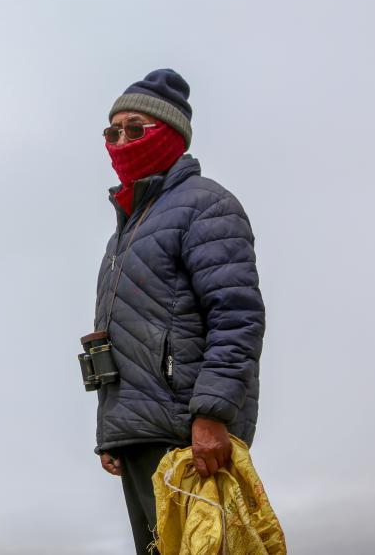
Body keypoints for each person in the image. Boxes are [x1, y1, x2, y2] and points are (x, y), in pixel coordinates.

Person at [89, 69, 267, 554]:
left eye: (134, 129)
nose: (120, 141)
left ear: (170, 135)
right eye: (112, 131)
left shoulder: (205, 206)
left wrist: (212, 415)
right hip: (141, 434)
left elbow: (237, 316)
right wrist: (112, 430)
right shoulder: (123, 233)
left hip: (189, 435)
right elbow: (120, 334)